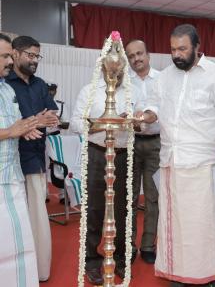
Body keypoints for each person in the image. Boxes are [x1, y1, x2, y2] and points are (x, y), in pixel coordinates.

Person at [135, 24, 215, 287]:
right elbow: (155, 106)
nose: (177, 54)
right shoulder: (166, 76)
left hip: (204, 162)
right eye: (173, 50)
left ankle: (203, 274)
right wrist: (146, 116)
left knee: (202, 223)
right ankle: (176, 272)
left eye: (182, 49)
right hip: (172, 160)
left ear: (197, 47)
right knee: (174, 222)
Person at [70, 63, 141, 285]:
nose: (116, 74)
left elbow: (145, 125)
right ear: (102, 68)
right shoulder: (89, 90)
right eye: (111, 69)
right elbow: (75, 124)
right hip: (97, 154)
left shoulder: (134, 91)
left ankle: (119, 257)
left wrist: (136, 122)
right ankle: (91, 260)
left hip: (123, 155)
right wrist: (106, 123)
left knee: (122, 211)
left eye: (119, 69)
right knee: (94, 209)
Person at [5, 35, 59, 282]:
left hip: (35, 159)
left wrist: (38, 120)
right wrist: (33, 121)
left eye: (37, 56)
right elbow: (15, 124)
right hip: (11, 159)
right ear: (15, 53)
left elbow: (51, 114)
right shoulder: (6, 84)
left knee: (37, 218)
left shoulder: (39, 84)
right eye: (30, 55)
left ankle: (38, 271)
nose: (34, 60)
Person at [0, 33, 42, 287]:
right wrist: (10, 132)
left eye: (10, 55)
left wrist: (26, 128)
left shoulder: (6, 89)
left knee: (18, 244)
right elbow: (9, 130)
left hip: (12, 176)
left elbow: (14, 124)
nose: (10, 60)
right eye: (5, 56)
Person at [125, 40, 160, 264]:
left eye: (140, 53)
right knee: (128, 196)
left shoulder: (162, 79)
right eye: (131, 56)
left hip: (157, 143)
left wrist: (148, 118)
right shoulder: (123, 82)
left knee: (152, 197)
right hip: (129, 142)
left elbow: (165, 110)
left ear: (148, 54)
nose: (136, 58)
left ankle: (148, 245)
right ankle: (128, 245)